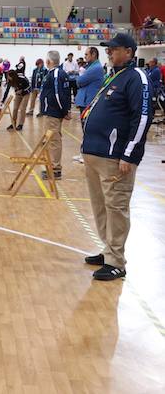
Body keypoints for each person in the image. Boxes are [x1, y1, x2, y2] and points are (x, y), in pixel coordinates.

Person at [81, 33, 153, 280]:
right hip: (95, 154)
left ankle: (116, 262)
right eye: (108, 49)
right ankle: (107, 249)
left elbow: (141, 118)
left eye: (114, 49)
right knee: (100, 206)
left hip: (116, 158)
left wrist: (130, 155)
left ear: (130, 51)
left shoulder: (136, 78)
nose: (109, 52)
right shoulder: (114, 75)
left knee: (116, 207)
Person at [38, 50, 71, 179]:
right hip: (51, 112)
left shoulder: (56, 74)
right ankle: (52, 166)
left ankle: (55, 168)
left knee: (54, 140)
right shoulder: (54, 73)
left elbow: (59, 94)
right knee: (51, 140)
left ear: (49, 61)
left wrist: (64, 111)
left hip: (54, 113)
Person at [73, 47, 105, 163]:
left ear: (94, 55)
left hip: (89, 103)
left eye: (87, 54)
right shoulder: (91, 67)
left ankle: (86, 155)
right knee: (85, 129)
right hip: (85, 102)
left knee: (88, 130)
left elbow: (80, 81)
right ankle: (83, 152)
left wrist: (79, 77)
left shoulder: (96, 68)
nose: (85, 56)